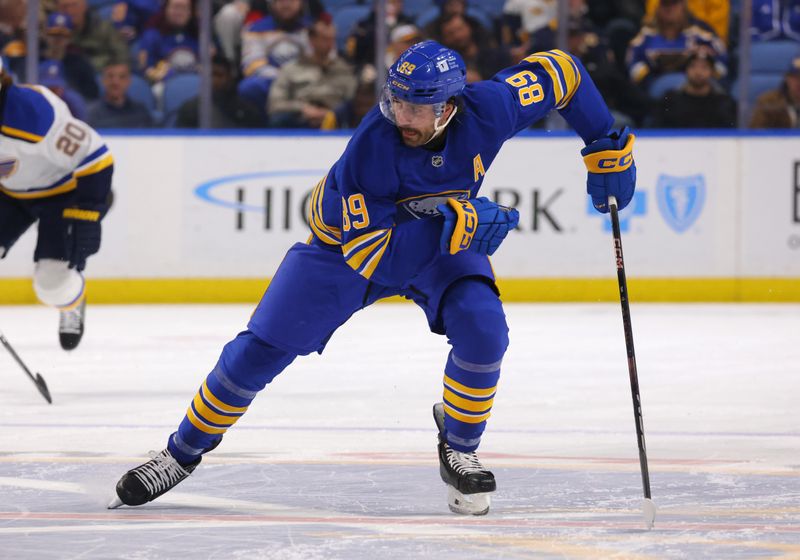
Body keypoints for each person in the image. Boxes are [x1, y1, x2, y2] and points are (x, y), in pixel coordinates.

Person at [110, 40, 636, 515]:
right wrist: (461, 221)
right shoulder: (374, 147)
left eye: (415, 108)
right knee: (259, 352)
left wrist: (604, 142)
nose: (400, 116)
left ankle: (460, 446)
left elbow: (562, 71)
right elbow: (379, 261)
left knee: (484, 330)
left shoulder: (491, 108)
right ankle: (181, 452)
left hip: (436, 239)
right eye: (395, 101)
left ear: (450, 107)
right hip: (347, 248)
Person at [0, 58, 114, 350]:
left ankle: (71, 304)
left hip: (60, 195)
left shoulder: (34, 115)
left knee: (52, 284)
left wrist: (88, 212)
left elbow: (95, 156)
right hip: (9, 194)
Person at [268, 20, 357, 128]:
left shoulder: (343, 69)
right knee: (279, 120)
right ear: (312, 40)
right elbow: (275, 104)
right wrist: (302, 108)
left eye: (332, 39)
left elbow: (353, 101)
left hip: (334, 119)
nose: (330, 44)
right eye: (324, 39)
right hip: (299, 118)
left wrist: (331, 113)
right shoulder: (291, 69)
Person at [651, 50, 735, 128]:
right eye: (693, 66)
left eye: (704, 67)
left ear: (712, 72)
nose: (698, 72)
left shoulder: (723, 103)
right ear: (685, 70)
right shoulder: (670, 100)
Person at [87, 62, 154, 129]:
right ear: (103, 80)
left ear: (129, 81)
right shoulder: (91, 113)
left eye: (122, 77)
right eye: (110, 76)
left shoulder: (141, 111)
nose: (116, 82)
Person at [750, 57, 800, 129]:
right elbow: (756, 133)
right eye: (795, 77)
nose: (799, 82)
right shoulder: (769, 101)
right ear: (787, 78)